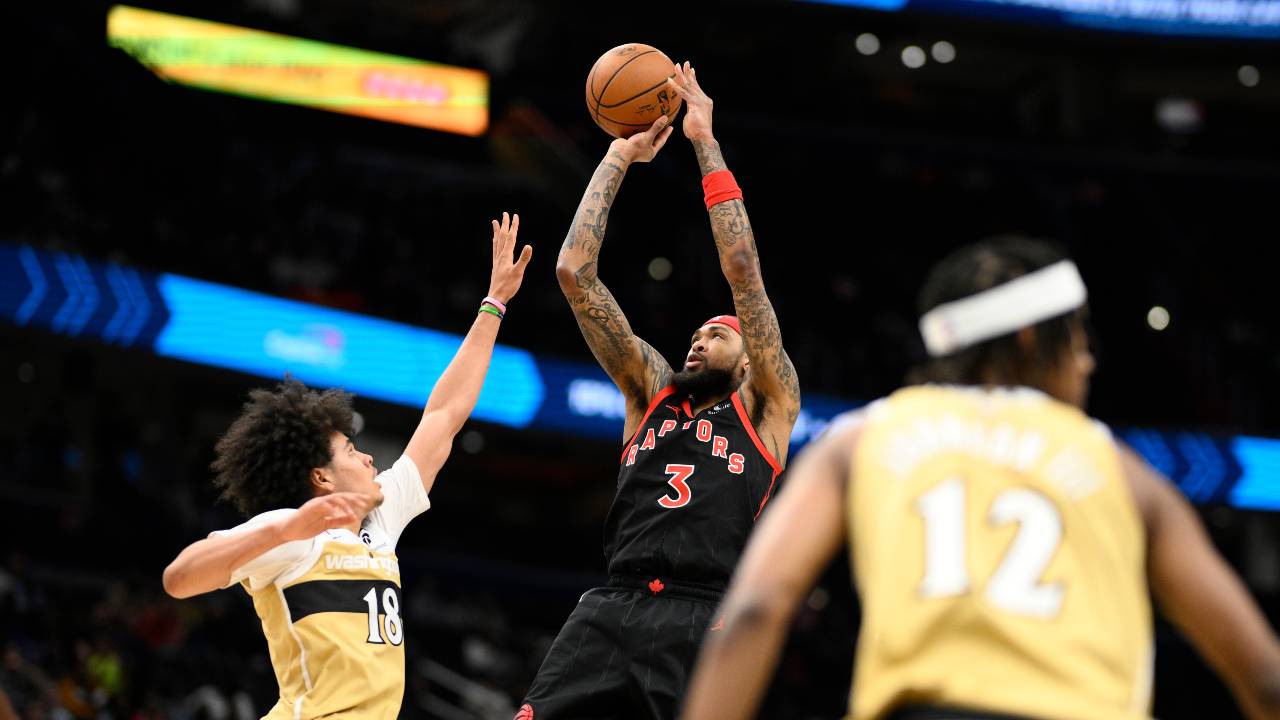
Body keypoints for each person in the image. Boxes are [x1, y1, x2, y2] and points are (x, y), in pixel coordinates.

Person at [682, 236, 1280, 720]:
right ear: (1028, 338)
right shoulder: (1120, 468)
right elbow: (1263, 675)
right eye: (1077, 340)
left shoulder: (862, 438)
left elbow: (757, 607)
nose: (1088, 362)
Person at [516, 63, 802, 720]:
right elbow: (573, 273)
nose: (698, 342)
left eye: (716, 335)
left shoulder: (767, 405)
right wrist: (617, 156)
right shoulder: (652, 394)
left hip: (705, 613)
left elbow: (742, 268)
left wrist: (704, 142)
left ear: (748, 360)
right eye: (695, 334)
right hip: (611, 605)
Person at [161, 213, 532, 719]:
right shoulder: (290, 531)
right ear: (321, 477)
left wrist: (495, 303)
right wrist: (287, 528)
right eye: (352, 452)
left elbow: (444, 415)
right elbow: (179, 579)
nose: (369, 457)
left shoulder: (381, 519)